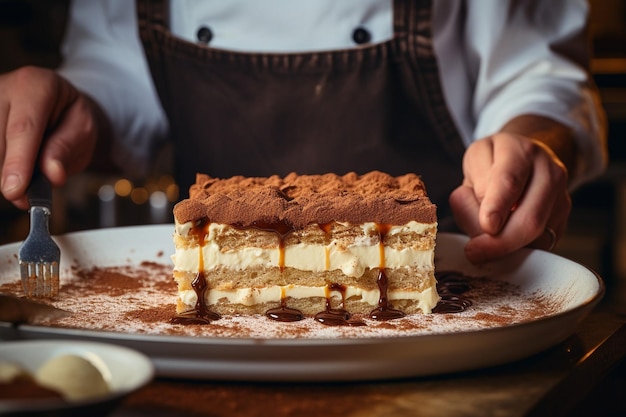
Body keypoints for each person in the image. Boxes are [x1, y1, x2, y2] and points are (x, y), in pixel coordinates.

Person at [0, 0, 607, 264]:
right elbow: (118, 70)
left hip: (441, 297)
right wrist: (76, 103)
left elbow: (540, 74)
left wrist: (531, 143)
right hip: (211, 330)